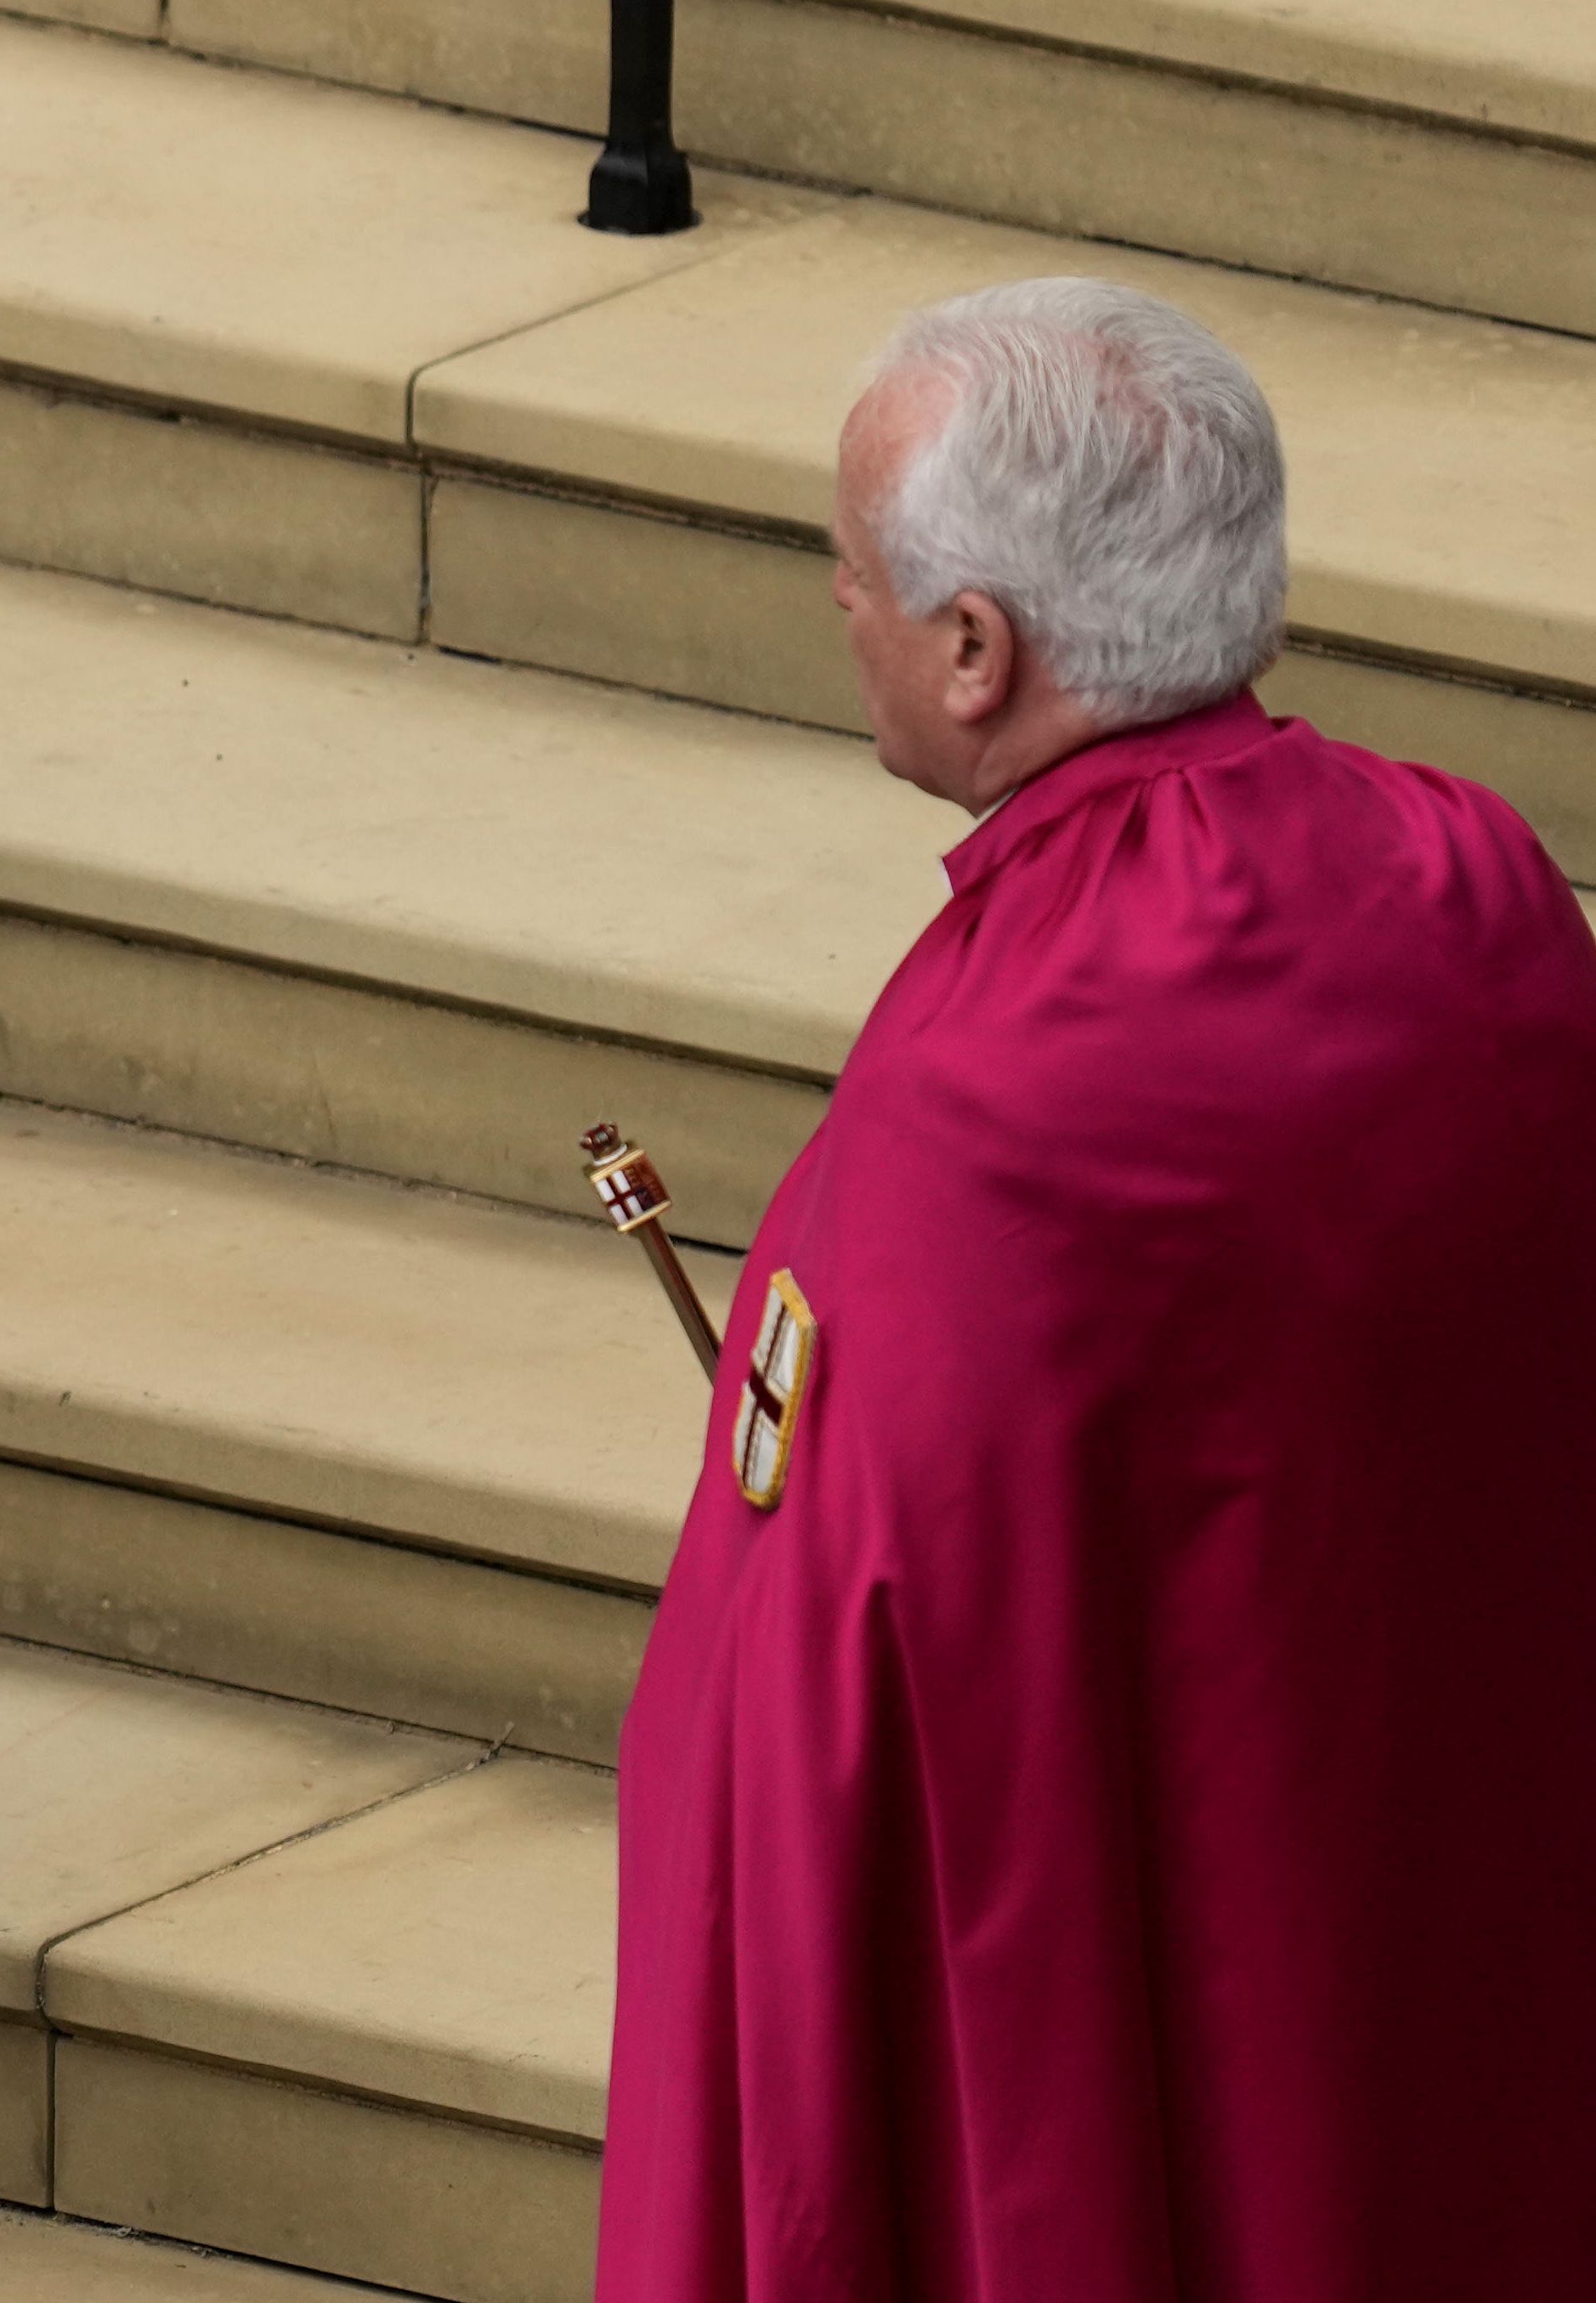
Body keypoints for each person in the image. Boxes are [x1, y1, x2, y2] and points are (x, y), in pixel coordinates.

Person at [600, 279, 1596, 2297]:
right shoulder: (1473, 882)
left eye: (855, 575)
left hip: (1129, 2050)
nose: (838, 612)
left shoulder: (976, 1102)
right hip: (1429, 1946)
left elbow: (797, 1737)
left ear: (977, 652)